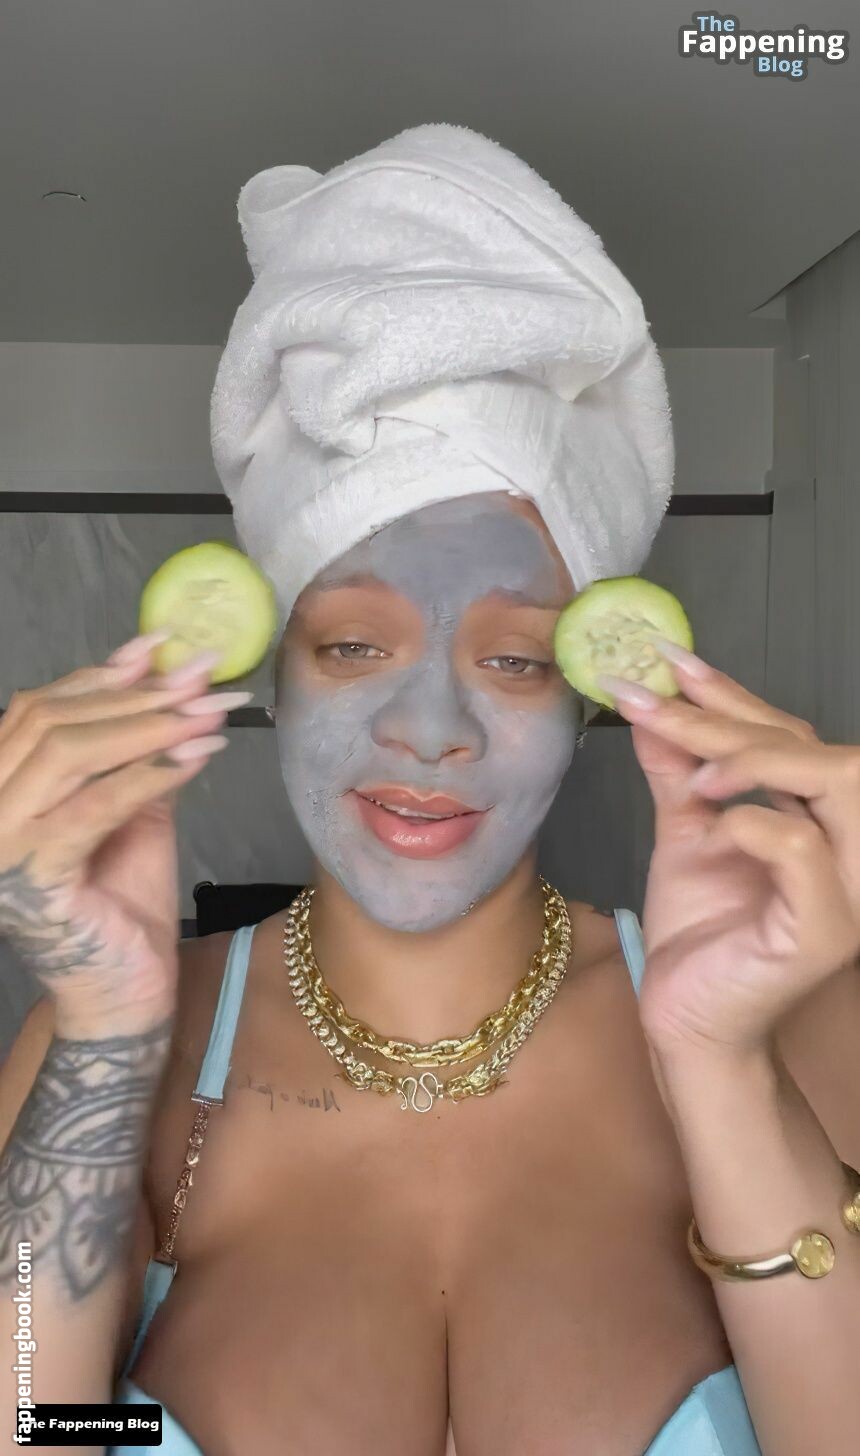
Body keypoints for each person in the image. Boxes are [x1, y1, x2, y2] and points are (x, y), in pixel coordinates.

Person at [1, 125, 858, 1456]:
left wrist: (722, 1070)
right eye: (355, 644)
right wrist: (107, 1038)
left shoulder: (792, 1013)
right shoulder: (108, 1040)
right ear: (269, 671)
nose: (432, 729)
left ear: (594, 694)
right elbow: (37, 1429)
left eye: (514, 659)